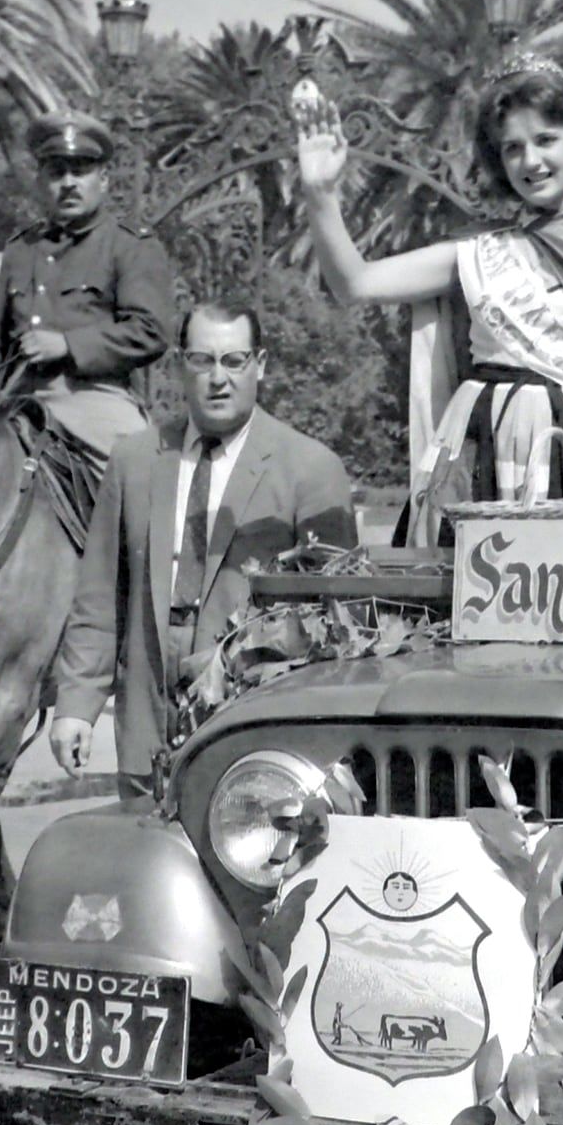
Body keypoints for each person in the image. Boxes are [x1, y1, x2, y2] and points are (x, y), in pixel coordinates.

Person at [295, 58, 563, 540]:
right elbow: (355, 284)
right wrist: (320, 192)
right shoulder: (478, 251)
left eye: (546, 140)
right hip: (476, 445)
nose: (531, 161)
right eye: (513, 148)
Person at [50, 300, 359, 784]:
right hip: (146, 726)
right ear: (180, 364)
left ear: (260, 365)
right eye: (203, 360)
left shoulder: (311, 471)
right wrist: (75, 706)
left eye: (234, 361)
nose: (219, 378)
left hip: (254, 733)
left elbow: (339, 627)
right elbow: (98, 597)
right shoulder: (134, 461)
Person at [0, 111, 174, 481]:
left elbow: (151, 331)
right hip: (15, 399)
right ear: (41, 182)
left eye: (80, 171)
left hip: (95, 401)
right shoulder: (20, 249)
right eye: (57, 172)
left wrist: (68, 345)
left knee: (143, 482)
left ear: (103, 180)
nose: (69, 183)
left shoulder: (128, 245)